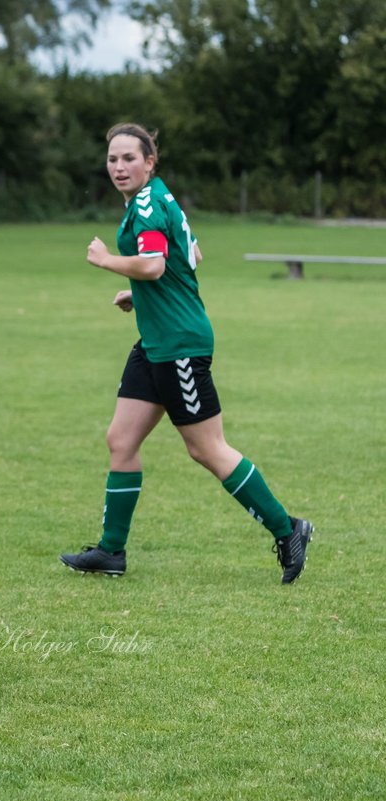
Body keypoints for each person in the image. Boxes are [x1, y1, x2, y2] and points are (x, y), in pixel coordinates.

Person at [60, 123, 311, 583]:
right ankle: (111, 551)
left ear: (149, 161)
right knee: (121, 440)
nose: (119, 167)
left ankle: (288, 528)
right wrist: (138, 295)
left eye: (129, 158)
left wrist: (108, 261)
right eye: (113, 159)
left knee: (206, 449)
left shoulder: (148, 203)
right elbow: (189, 255)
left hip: (180, 346)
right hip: (155, 342)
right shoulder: (157, 199)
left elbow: (155, 264)